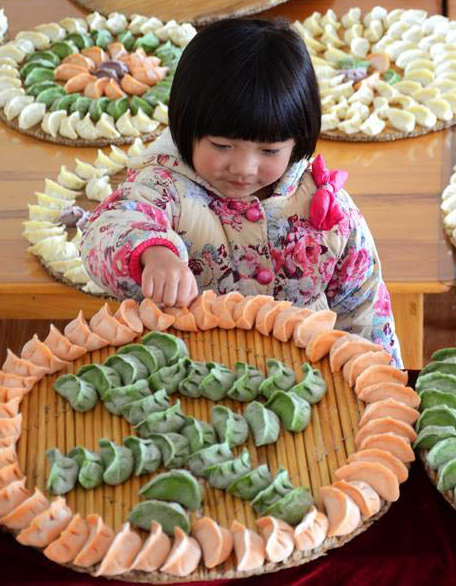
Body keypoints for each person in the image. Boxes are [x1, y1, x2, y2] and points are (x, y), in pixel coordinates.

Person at [82, 18, 402, 363]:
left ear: (299, 140)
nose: (243, 168)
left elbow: (363, 305)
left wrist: (379, 378)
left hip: (307, 382)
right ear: (184, 126)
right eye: (221, 145)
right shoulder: (162, 188)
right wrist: (155, 254)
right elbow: (103, 233)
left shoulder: (327, 209)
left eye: (269, 151)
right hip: (188, 377)